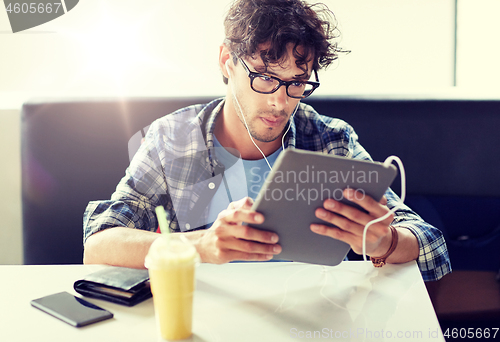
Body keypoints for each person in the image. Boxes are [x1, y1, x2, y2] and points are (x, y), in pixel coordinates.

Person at [83, 0, 451, 281]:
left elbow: (431, 246)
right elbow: (99, 245)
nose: (280, 101)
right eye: (264, 77)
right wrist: (202, 246)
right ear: (228, 61)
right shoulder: (172, 139)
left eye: (296, 83)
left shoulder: (328, 138)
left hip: (308, 321)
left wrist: (381, 241)